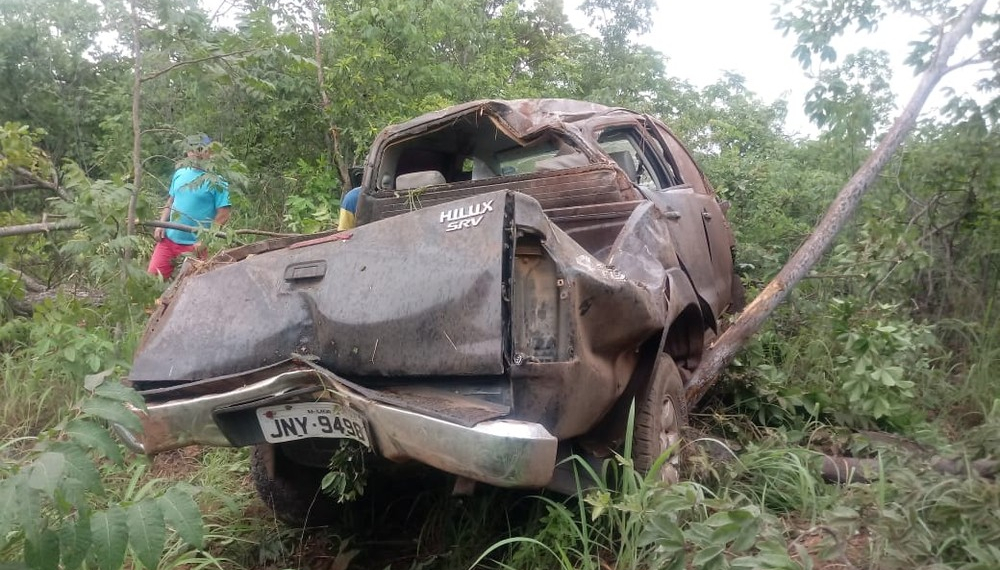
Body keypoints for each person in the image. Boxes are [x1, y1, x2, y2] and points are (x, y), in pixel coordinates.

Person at [147, 135, 232, 279]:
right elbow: (171, 201)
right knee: (150, 282)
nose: (196, 153)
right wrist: (161, 224)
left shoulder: (217, 182)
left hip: (195, 246)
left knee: (193, 288)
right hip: (168, 241)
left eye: (200, 149)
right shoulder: (180, 173)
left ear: (209, 152)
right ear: (187, 153)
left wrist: (205, 241)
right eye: (192, 150)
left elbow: (224, 214)